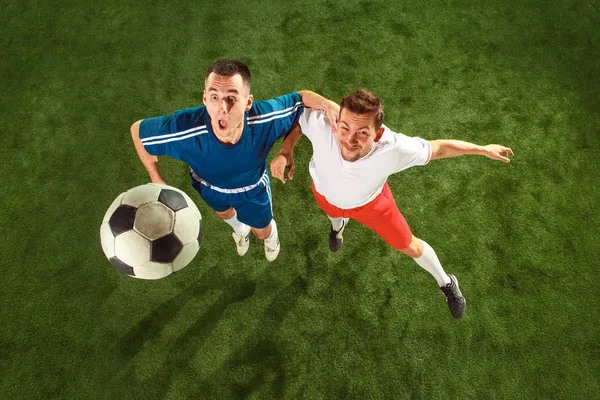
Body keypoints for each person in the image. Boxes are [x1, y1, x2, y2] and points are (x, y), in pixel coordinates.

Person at [271, 88, 513, 318]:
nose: (349, 139)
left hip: (372, 204)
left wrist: (481, 149)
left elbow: (438, 149)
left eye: (362, 133)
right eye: (344, 127)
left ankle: (446, 282)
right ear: (338, 121)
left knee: (409, 245)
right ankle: (338, 227)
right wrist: (286, 150)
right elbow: (299, 116)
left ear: (377, 133)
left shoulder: (395, 148)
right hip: (325, 194)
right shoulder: (325, 123)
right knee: (333, 215)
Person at [131, 59, 337, 261]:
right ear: (204, 99)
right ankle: (240, 231)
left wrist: (325, 107)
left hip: (252, 189)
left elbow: (300, 100)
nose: (222, 107)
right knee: (226, 215)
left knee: (262, 231)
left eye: (231, 98)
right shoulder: (185, 129)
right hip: (208, 187)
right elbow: (138, 131)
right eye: (214, 96)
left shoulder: (264, 118)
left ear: (248, 103)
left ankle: (271, 237)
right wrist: (156, 179)